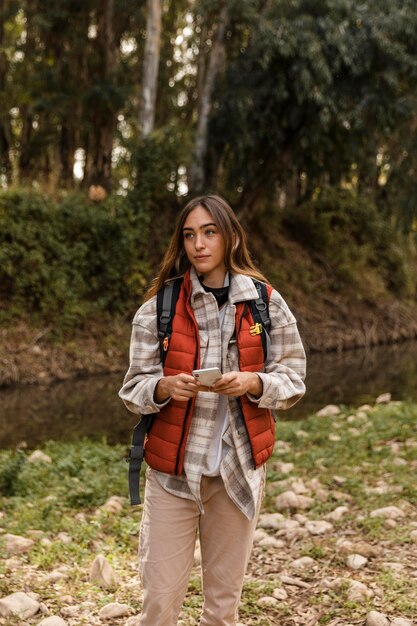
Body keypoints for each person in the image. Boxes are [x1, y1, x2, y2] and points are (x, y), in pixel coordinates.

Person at [119, 194, 306, 626]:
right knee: (159, 605)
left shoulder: (266, 303)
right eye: (189, 235)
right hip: (172, 475)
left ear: (231, 236)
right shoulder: (159, 308)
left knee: (223, 610)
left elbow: (294, 379)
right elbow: (132, 389)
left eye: (209, 232)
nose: (198, 244)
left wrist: (253, 382)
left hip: (236, 470)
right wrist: (163, 388)